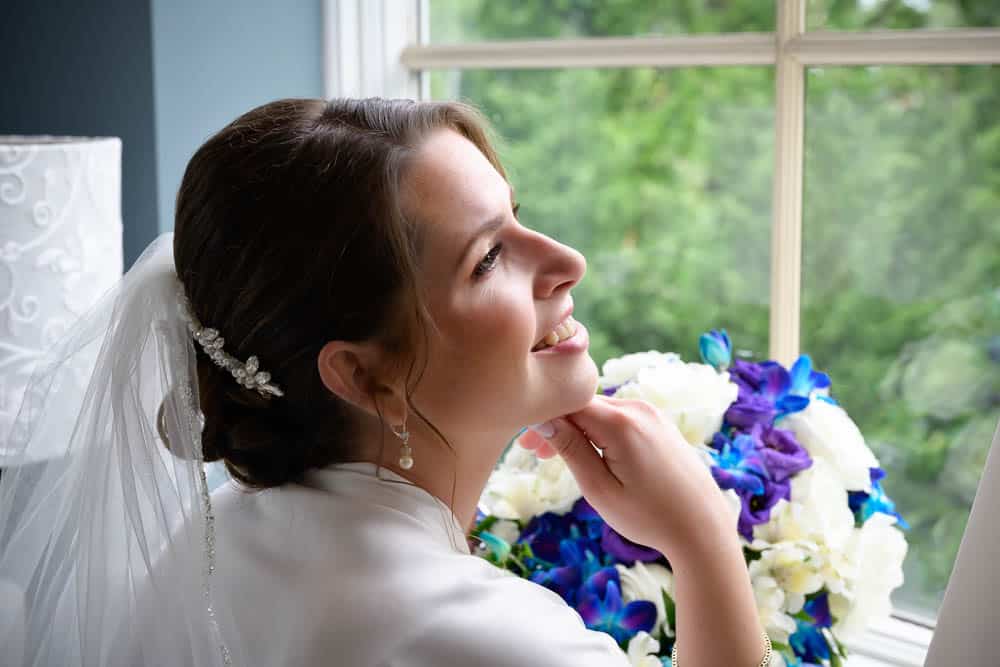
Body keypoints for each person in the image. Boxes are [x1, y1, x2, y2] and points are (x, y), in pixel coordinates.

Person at [0, 97, 769, 666]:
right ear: (362, 374)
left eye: (518, 217)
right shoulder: (492, 639)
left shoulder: (205, 543)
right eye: (489, 258)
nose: (569, 260)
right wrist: (703, 541)